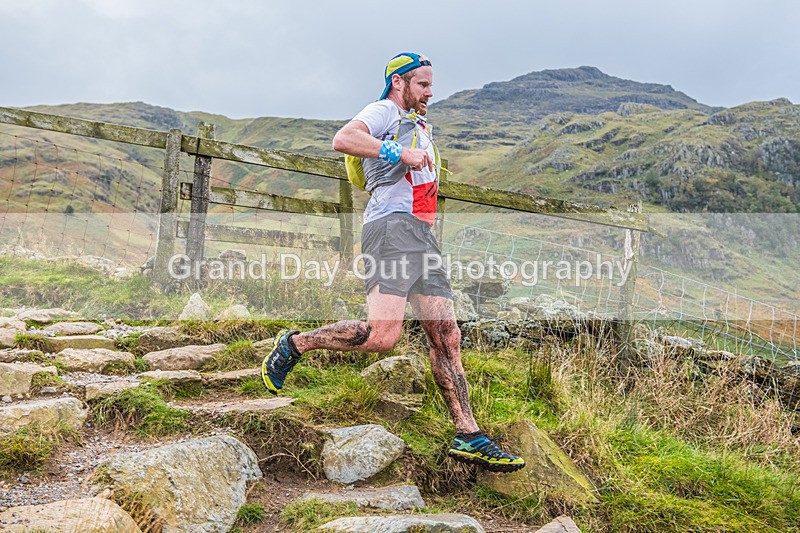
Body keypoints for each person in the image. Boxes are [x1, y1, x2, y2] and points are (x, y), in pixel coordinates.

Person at [262, 52, 525, 473]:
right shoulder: (384, 109)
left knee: (447, 335)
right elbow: (343, 139)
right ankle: (295, 344)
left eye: (431, 84)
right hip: (390, 230)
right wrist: (399, 153)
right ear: (399, 83)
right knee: (383, 336)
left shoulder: (419, 125)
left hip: (420, 235)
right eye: (422, 84)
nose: (430, 91)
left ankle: (468, 434)